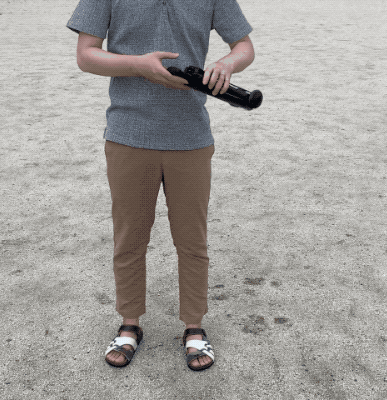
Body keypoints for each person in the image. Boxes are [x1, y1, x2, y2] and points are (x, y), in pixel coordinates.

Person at [67, 0, 255, 371]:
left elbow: (244, 46)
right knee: (130, 237)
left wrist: (227, 64)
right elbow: (86, 55)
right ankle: (129, 323)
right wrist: (137, 65)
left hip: (191, 137)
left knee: (192, 239)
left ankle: (194, 327)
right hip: (127, 135)